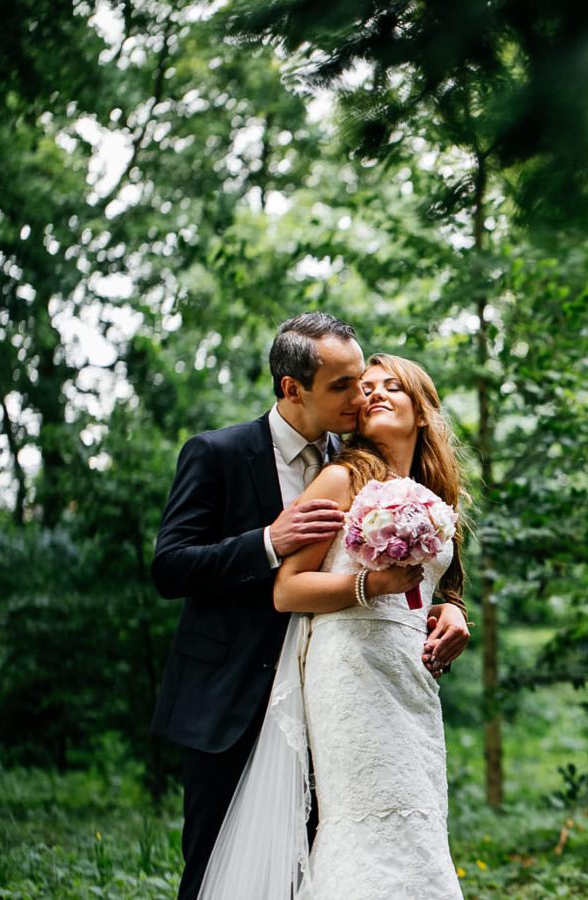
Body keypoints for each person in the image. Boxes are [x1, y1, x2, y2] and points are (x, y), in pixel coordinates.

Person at [149, 313, 425, 900]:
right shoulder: (218, 453)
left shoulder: (362, 459)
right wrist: (266, 542)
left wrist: (450, 605)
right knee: (216, 870)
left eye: (361, 380)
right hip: (231, 696)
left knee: (320, 870)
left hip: (332, 699)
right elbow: (170, 567)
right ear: (292, 388)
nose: (361, 397)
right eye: (342, 386)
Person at [198, 353, 471, 899]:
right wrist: (373, 585)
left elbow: (435, 588)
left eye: (392, 386)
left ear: (422, 411)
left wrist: (453, 608)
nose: (375, 393)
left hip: (412, 680)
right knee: (365, 819)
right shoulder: (341, 478)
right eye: (367, 387)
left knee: (416, 819)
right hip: (349, 672)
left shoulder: (437, 497)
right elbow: (287, 589)